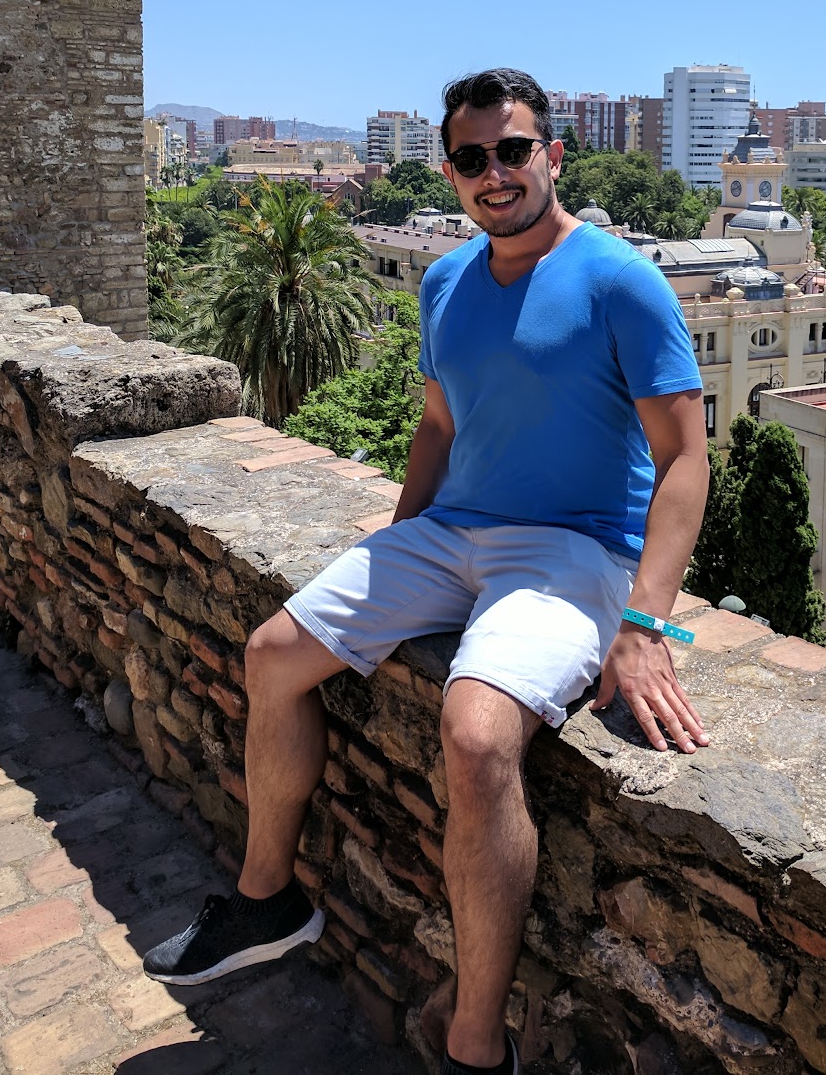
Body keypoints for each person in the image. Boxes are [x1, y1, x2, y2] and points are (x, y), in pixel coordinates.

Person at [143, 68, 711, 1075]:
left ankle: (475, 1044)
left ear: (552, 156)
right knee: (272, 654)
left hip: (572, 549)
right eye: (471, 157)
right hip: (450, 532)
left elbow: (684, 458)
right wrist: (393, 550)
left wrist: (645, 625)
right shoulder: (446, 282)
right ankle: (267, 899)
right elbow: (439, 426)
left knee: (478, 736)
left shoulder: (620, 279)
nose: (494, 172)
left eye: (512, 150)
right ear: (450, 171)